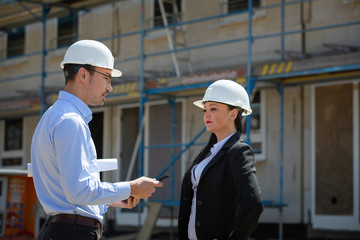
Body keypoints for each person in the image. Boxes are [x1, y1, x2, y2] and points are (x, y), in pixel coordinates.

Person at [31, 40, 163, 240]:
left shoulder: (53, 116)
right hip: (72, 232)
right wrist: (131, 187)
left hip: (63, 229)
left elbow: (70, 192)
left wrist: (115, 199)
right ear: (83, 74)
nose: (110, 88)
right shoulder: (71, 122)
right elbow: (78, 191)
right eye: (107, 78)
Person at [178, 79, 263, 240]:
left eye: (213, 108)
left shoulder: (239, 151)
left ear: (233, 114)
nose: (207, 114)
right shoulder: (208, 152)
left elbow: (253, 203)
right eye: (205, 109)